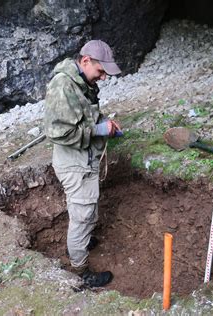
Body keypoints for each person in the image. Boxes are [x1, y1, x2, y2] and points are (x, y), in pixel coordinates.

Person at [44, 40, 122, 287]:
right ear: (86, 61)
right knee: (83, 215)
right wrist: (99, 129)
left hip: (83, 160)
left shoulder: (81, 82)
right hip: (74, 164)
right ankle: (80, 272)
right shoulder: (63, 86)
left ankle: (82, 240)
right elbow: (59, 133)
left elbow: (85, 114)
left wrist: (104, 123)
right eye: (101, 72)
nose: (103, 78)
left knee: (85, 208)